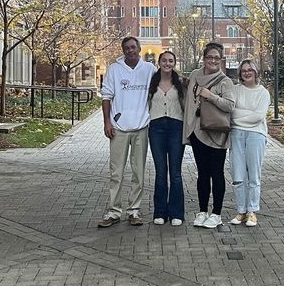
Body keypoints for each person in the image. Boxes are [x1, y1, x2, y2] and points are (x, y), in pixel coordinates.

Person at [98, 36, 155, 228]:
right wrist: (107, 122)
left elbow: (162, 88)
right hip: (119, 129)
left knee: (138, 173)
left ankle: (134, 210)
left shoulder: (149, 70)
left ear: (139, 49)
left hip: (141, 128)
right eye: (127, 48)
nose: (130, 50)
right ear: (123, 50)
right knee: (116, 173)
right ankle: (114, 211)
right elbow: (106, 97)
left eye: (133, 47)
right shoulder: (114, 69)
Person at [183, 42, 235, 228]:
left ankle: (217, 213)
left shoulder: (225, 81)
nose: (212, 61)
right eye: (209, 57)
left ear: (221, 60)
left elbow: (230, 105)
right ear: (203, 58)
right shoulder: (195, 75)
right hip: (198, 132)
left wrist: (210, 96)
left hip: (216, 133)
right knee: (202, 174)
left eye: (216, 58)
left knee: (217, 173)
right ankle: (202, 210)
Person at [229, 59, 270, 227]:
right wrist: (246, 115)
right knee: (238, 175)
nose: (247, 73)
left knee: (254, 175)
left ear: (256, 72)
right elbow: (230, 112)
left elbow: (258, 117)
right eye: (244, 70)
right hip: (236, 135)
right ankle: (241, 211)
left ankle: (252, 211)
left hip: (256, 135)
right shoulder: (235, 90)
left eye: (250, 70)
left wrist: (240, 116)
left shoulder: (263, 93)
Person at [148, 51, 186, 226]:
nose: (167, 63)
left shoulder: (181, 84)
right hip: (156, 129)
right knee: (161, 172)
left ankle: (177, 213)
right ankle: (160, 212)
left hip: (175, 128)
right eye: (164, 60)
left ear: (174, 63)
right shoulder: (151, 82)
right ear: (159, 62)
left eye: (171, 61)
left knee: (175, 173)